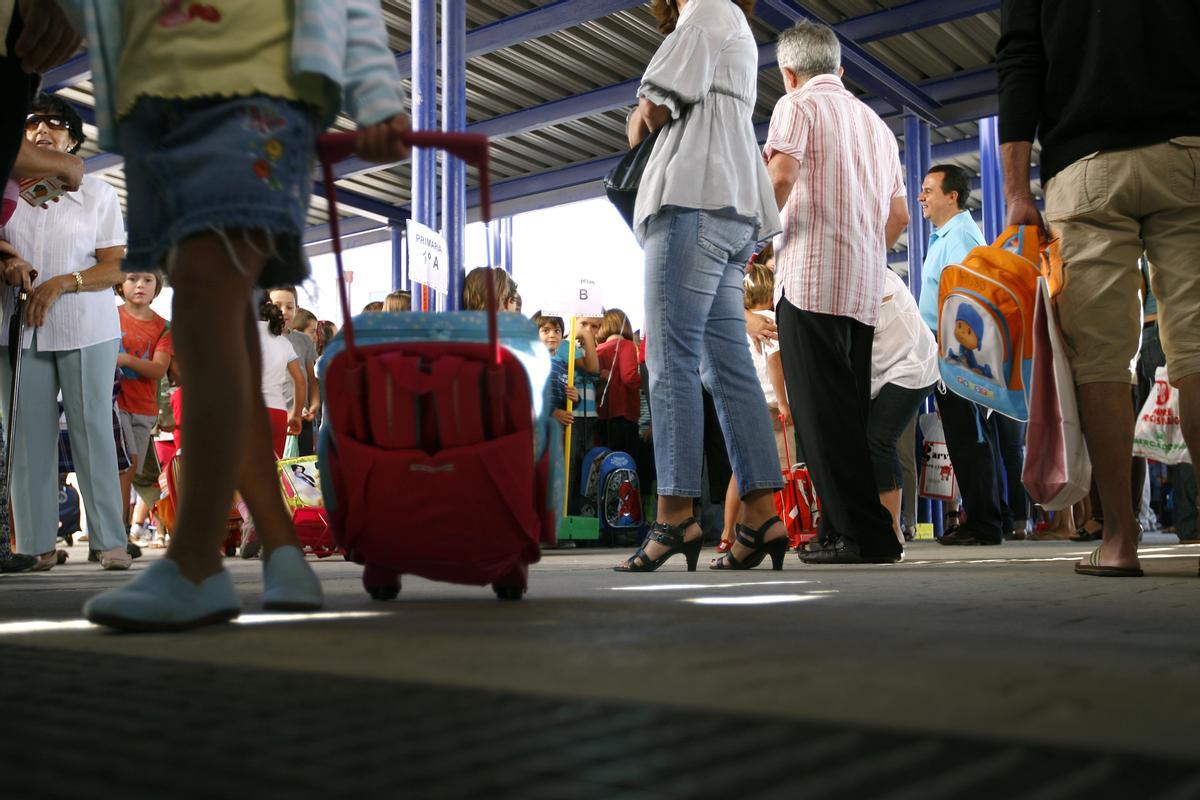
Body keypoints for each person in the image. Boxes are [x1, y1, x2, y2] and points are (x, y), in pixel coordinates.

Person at [73, 0, 412, 629]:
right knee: (220, 321)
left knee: (205, 304)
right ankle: (284, 550)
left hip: (252, 92)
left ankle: (196, 563)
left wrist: (373, 90)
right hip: (158, 110)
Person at [998, 0, 1200, 577]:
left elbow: (1019, 60)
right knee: (1196, 346)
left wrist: (1016, 190)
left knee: (1102, 362)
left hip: (1086, 168)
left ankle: (1118, 539)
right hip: (1188, 150)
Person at [620, 0, 786, 573]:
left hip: (691, 197)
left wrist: (636, 117)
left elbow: (650, 114)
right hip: (735, 205)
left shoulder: (706, 9)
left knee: (669, 359)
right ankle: (762, 515)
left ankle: (674, 515)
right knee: (725, 365)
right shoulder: (733, 21)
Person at [765, 21, 909, 565]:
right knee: (844, 414)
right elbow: (896, 215)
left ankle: (865, 535)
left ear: (789, 73)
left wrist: (751, 239)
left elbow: (779, 176)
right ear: (841, 69)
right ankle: (835, 528)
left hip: (809, 280)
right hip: (862, 288)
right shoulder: (876, 125)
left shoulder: (796, 105)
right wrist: (868, 254)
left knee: (820, 419)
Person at [0, 94, 132, 572]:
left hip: (85, 324)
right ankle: (35, 544)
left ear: (72, 139)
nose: (42, 130)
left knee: (92, 429)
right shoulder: (6, 190)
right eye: (32, 122)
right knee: (27, 438)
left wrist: (62, 283)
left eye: (55, 124)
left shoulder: (97, 194)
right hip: (16, 326)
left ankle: (109, 541)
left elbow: (115, 267)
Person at [914, 163, 1007, 546]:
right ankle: (980, 517)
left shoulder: (961, 235)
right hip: (946, 353)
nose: (921, 197)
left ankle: (985, 523)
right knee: (963, 438)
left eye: (929, 190)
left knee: (970, 438)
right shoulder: (945, 236)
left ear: (952, 196)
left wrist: (951, 346)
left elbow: (970, 295)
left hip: (957, 355)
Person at [718, 262, 791, 554]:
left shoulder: (739, 325)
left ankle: (727, 533)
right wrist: (786, 402)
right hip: (773, 405)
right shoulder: (771, 321)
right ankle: (781, 525)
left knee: (741, 469)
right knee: (783, 470)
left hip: (747, 402)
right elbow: (775, 362)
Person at [869, 269, 938, 544]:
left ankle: (896, 527)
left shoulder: (879, 279)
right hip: (884, 373)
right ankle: (887, 523)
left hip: (911, 368)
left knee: (881, 442)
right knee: (877, 444)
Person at [116, 270, 172, 534]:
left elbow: (159, 369)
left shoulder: (162, 327)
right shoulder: (110, 317)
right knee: (125, 468)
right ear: (119, 284)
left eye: (147, 280)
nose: (140, 285)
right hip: (114, 404)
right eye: (132, 279)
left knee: (131, 468)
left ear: (156, 287)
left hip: (144, 409)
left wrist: (126, 360)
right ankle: (118, 531)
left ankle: (120, 531)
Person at [268, 286, 319, 457]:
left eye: (289, 307)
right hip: (273, 420)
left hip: (301, 421)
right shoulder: (262, 340)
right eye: (277, 306)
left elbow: (311, 379)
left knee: (301, 475)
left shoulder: (303, 341)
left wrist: (314, 404)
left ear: (296, 309)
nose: (284, 312)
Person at [557, 316, 600, 515]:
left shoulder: (590, 351)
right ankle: (566, 513)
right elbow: (592, 368)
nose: (588, 330)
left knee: (587, 466)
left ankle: (582, 512)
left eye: (594, 326)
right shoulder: (566, 346)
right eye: (583, 325)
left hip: (589, 416)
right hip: (573, 415)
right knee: (571, 466)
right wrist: (584, 335)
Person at [595, 308, 641, 457]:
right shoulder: (627, 345)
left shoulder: (597, 350)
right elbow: (629, 377)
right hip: (624, 414)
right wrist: (642, 380)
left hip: (601, 415)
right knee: (626, 459)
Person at [532, 311, 578, 429]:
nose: (552, 335)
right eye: (546, 330)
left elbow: (567, 400)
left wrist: (576, 398)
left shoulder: (564, 367)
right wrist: (552, 412)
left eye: (557, 330)